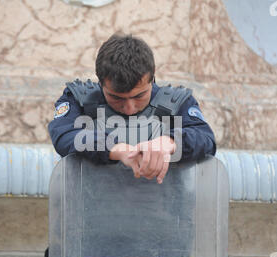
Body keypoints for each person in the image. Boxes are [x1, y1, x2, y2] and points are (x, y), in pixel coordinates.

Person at [48, 32, 216, 184]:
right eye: (116, 98)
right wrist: (116, 149)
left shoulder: (178, 102)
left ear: (152, 76)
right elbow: (64, 134)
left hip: (164, 209)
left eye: (139, 96)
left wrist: (169, 142)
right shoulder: (78, 98)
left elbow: (205, 139)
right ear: (100, 81)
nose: (129, 108)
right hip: (94, 208)